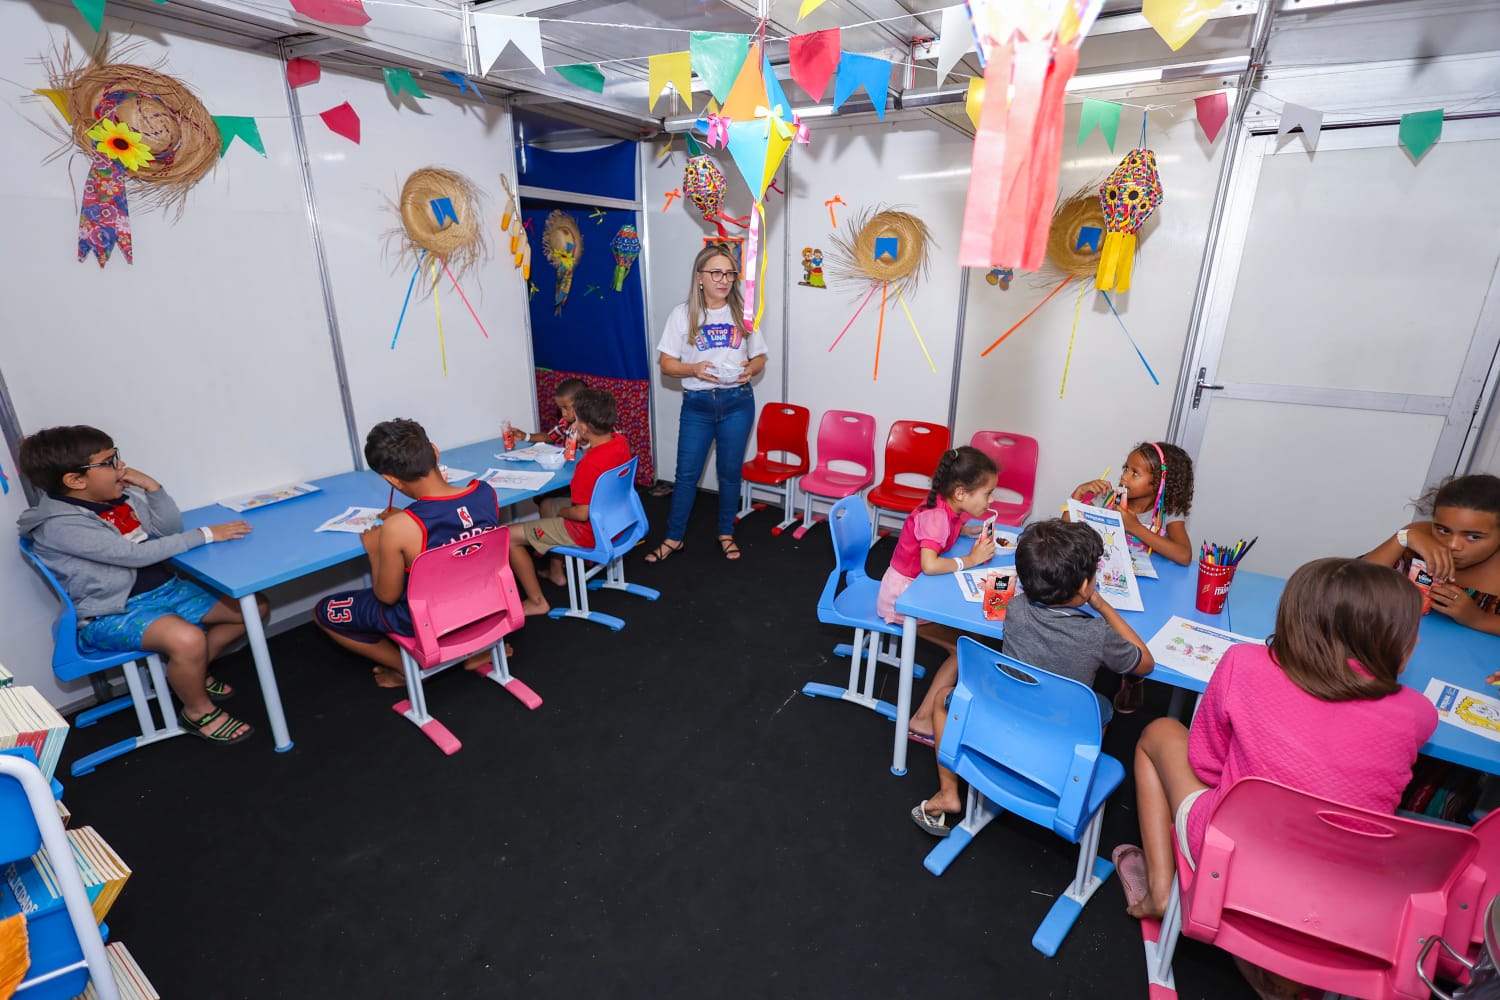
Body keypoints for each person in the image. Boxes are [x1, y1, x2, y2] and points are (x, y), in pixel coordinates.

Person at [1113, 558, 1438, 928]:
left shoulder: (1243, 663)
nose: (1416, 640)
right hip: (1341, 884)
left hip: (1230, 854)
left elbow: (1205, 766)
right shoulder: (1418, 714)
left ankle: (1160, 892)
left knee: (1159, 732)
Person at [16, 425, 263, 745]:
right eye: (108, 462)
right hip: (112, 611)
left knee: (253, 608)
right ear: (75, 480)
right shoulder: (60, 525)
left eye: (115, 456)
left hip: (166, 591)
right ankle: (197, 711)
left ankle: (192, 673)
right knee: (188, 640)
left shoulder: (119, 498)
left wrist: (153, 488)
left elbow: (169, 530)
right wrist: (205, 534)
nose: (120, 466)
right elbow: (134, 555)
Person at [912, 518, 1154, 835]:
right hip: (1060, 724)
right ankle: (1071, 778)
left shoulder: (1015, 608)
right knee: (1103, 707)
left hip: (1007, 712)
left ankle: (948, 793)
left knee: (943, 698)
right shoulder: (1097, 634)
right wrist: (1100, 603)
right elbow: (1145, 664)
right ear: (1084, 585)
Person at [314, 418, 502, 688]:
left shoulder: (398, 528)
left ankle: (408, 669)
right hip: (481, 602)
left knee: (323, 611)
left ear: (391, 480)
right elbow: (452, 526)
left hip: (426, 619)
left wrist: (375, 551)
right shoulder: (485, 494)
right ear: (434, 451)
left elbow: (387, 596)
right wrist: (406, 520)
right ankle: (473, 647)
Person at [645, 243, 768, 563]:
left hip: (738, 403)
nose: (724, 280)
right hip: (697, 404)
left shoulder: (744, 312)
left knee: (729, 472)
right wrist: (693, 369)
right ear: (700, 277)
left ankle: (726, 532)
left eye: (729, 273)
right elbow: (666, 364)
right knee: (686, 475)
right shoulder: (682, 314)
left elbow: (759, 357)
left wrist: (750, 369)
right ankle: (674, 537)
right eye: (716, 273)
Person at [886, 447, 998, 748]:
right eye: (987, 494)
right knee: (964, 647)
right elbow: (930, 565)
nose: (990, 501)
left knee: (969, 637)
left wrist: (968, 531)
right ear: (960, 492)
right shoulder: (936, 516)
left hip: (916, 590)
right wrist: (971, 560)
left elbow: (945, 532)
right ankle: (922, 719)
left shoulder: (948, 509)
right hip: (902, 597)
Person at [509, 388, 631, 616]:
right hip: (615, 519)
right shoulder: (620, 442)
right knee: (547, 504)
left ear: (582, 428)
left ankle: (536, 602)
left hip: (586, 530)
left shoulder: (589, 464)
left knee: (507, 538)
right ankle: (556, 571)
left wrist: (564, 512)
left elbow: (581, 513)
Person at [1362, 473, 1500, 636]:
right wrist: (1403, 538)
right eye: (1444, 530)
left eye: (1473, 537)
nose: (1452, 545)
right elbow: (1355, 582)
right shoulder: (1418, 537)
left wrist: (1478, 619)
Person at [1069, 440, 1195, 566]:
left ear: (1160, 483)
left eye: (1135, 473)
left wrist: (1135, 527)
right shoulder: (1108, 498)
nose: (1124, 476)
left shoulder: (1167, 512)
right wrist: (1078, 493)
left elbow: (1184, 556)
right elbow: (1066, 534)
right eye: (1126, 468)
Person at [524, 377, 585, 446]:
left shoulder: (589, 427)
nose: (564, 414)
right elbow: (549, 437)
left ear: (582, 404)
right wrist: (525, 436)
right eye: (560, 408)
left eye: (566, 408)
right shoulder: (565, 424)